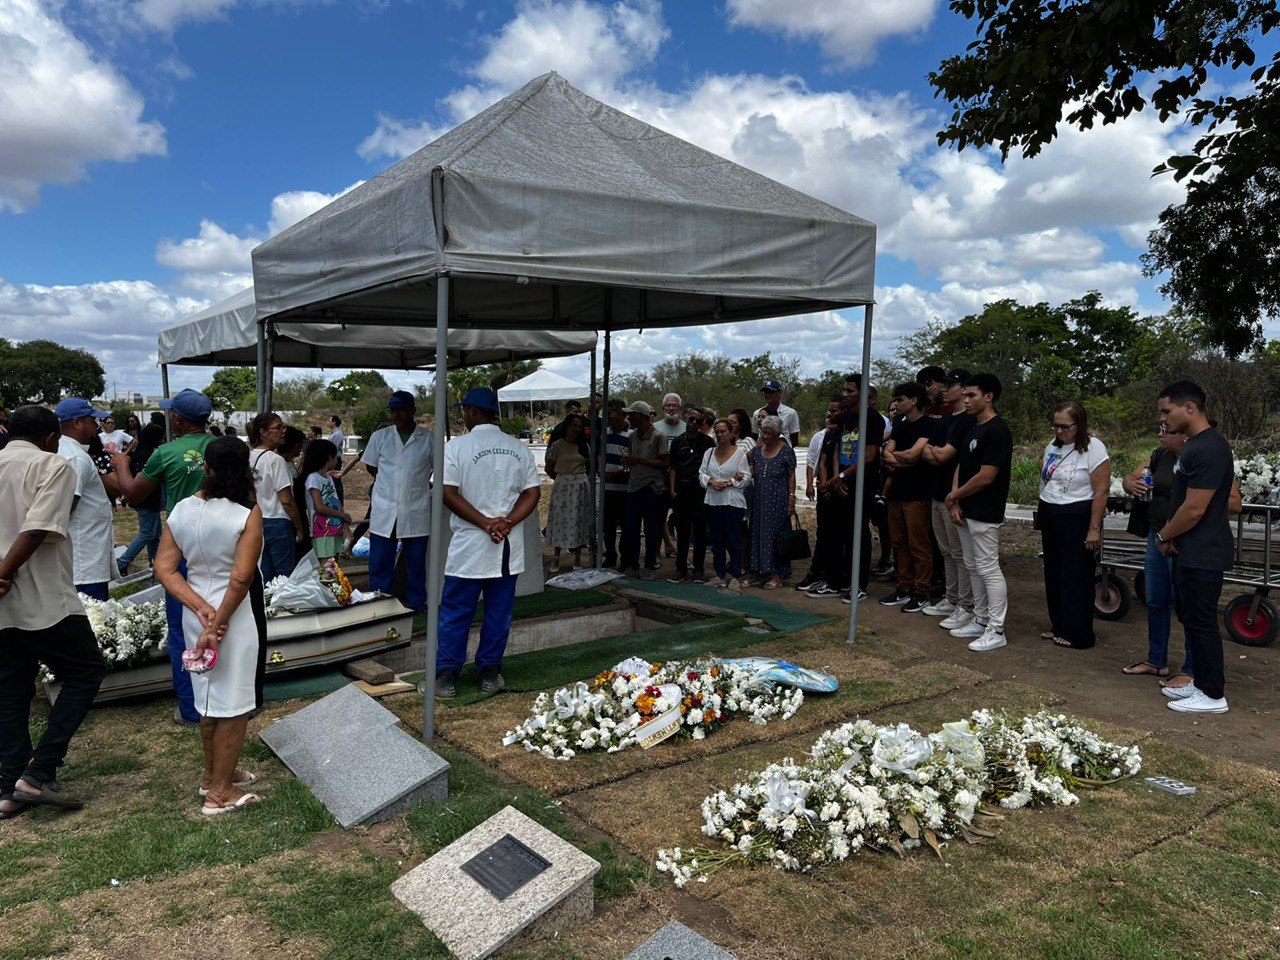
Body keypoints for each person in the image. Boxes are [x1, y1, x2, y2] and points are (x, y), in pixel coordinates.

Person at [0, 405, 107, 819]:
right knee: (85, 672)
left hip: (6, 604)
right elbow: (38, 527)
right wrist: (5, 572)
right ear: (50, 437)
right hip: (44, 597)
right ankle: (39, 772)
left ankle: (9, 787)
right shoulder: (53, 465)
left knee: (11, 691)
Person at [154, 437, 266, 815]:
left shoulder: (182, 509)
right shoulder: (246, 512)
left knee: (207, 698)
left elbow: (164, 568)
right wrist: (218, 622)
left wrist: (200, 610)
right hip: (232, 617)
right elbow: (241, 578)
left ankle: (212, 776)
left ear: (207, 467)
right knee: (233, 704)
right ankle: (220, 794)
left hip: (195, 612)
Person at [112, 387, 215, 726]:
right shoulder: (223, 448)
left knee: (181, 628)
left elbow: (131, 491)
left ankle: (190, 708)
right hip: (222, 547)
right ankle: (220, 701)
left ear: (179, 419)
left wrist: (122, 463)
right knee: (221, 619)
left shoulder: (166, 453)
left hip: (181, 551)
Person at [435, 388, 541, 698]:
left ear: (471, 412)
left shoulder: (456, 447)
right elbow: (532, 493)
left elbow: (448, 493)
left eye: (465, 410)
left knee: (456, 611)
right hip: (507, 544)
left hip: (470, 546)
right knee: (498, 613)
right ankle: (490, 671)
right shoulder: (517, 447)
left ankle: (447, 675)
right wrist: (506, 522)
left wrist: (484, 523)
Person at [1155, 381, 1234, 714]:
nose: (1163, 419)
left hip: (1205, 551)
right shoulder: (1194, 446)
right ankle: (1199, 683)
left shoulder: (1210, 448)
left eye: (1166, 411)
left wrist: (1163, 536)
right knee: (1190, 618)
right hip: (1189, 549)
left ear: (1189, 408)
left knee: (1202, 622)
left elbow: (1194, 508)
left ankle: (1214, 695)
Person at [945, 373, 1014, 652]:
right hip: (966, 509)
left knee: (988, 568)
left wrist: (955, 495)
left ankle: (996, 629)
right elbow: (962, 466)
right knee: (973, 566)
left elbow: (986, 476)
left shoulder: (998, 430)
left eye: (972, 395)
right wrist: (957, 501)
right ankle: (980, 617)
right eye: (965, 395)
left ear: (989, 396)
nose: (966, 400)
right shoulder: (973, 428)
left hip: (986, 510)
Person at [1037, 401, 1110, 650]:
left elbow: (1101, 491)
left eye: (1065, 427)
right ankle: (1059, 624)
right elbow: (1044, 470)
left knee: (1076, 576)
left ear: (1079, 424)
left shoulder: (1094, 448)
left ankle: (1079, 633)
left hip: (1077, 515)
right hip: (1051, 511)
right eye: (1056, 426)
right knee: (1054, 572)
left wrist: (1094, 528)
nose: (1059, 431)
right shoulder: (1052, 446)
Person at [361, 391, 434, 612]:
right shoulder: (380, 437)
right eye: (393, 411)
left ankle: (417, 602)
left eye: (401, 410)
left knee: (415, 562)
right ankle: (379, 602)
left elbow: (436, 470)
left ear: (413, 411)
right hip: (385, 508)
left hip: (415, 508)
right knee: (380, 560)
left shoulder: (429, 439)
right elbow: (372, 466)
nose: (396, 415)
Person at [816, 374, 883, 603]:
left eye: (850, 391)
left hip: (862, 483)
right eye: (844, 390)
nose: (846, 395)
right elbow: (837, 450)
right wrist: (837, 478)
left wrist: (842, 476)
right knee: (839, 532)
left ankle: (859, 585)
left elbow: (870, 455)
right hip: (842, 482)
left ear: (863, 393)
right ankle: (838, 580)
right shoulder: (845, 418)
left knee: (859, 534)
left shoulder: (872, 418)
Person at [920, 369, 975, 628]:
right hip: (936, 492)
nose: (945, 388)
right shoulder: (945, 420)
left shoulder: (967, 421)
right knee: (946, 551)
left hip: (953, 496)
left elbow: (941, 456)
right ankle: (951, 598)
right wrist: (936, 451)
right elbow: (928, 452)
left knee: (960, 553)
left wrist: (936, 452)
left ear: (964, 389)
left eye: (951, 384)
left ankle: (966, 604)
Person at [879, 383, 935, 612]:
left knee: (918, 544)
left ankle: (922, 591)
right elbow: (885, 454)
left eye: (901, 399)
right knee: (899, 542)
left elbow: (915, 454)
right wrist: (904, 459)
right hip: (897, 493)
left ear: (914, 400)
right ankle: (905, 586)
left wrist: (898, 457)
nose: (897, 403)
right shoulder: (900, 426)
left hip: (917, 494)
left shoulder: (929, 425)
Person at [56, 399, 116, 600]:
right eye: (92, 420)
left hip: (83, 556)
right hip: (84, 562)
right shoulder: (75, 458)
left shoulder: (68, 451)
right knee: (93, 618)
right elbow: (66, 506)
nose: (96, 427)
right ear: (77, 423)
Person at [248, 412, 306, 583]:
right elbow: (286, 499)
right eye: (278, 427)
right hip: (278, 523)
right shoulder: (276, 460)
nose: (283, 431)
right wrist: (299, 527)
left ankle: (267, 608)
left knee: (265, 575)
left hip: (257, 521)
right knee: (285, 577)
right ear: (264, 432)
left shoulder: (249, 457)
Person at [700, 418, 752, 591]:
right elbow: (701, 474)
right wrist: (711, 482)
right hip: (713, 500)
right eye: (717, 431)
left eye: (723, 431)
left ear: (731, 433)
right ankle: (719, 573)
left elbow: (745, 477)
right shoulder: (708, 453)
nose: (720, 435)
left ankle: (736, 575)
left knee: (734, 539)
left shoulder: (739, 453)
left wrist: (729, 483)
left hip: (733, 502)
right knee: (717, 539)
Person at [745, 416, 797, 589]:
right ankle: (759, 571)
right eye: (763, 432)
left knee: (777, 535)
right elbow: (750, 470)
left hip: (778, 500)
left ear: (778, 434)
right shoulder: (757, 451)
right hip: (759, 500)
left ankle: (777, 573)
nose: (765, 436)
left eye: (769, 433)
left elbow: (791, 475)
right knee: (757, 533)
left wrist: (791, 499)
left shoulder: (786, 451)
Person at [799, 402, 844, 597]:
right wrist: (819, 484)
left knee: (837, 537)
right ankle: (817, 572)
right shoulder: (821, 436)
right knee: (823, 533)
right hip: (824, 490)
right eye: (828, 413)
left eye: (834, 412)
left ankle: (833, 576)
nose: (829, 415)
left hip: (840, 490)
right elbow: (816, 462)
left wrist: (833, 483)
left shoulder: (845, 434)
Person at [667, 408, 715, 582]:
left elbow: (712, 467)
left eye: (698, 421)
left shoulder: (708, 443)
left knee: (700, 533)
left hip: (700, 492)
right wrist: (672, 490)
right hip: (681, 491)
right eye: (691, 419)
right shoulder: (678, 442)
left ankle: (699, 570)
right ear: (686, 418)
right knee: (683, 532)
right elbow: (673, 467)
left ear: (703, 424)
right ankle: (681, 569)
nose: (693, 423)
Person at [544, 413, 593, 572]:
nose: (576, 429)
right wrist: (562, 479)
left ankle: (577, 557)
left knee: (579, 520)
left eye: (579, 426)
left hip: (580, 487)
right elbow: (549, 467)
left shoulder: (584, 446)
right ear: (566, 426)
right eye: (574, 426)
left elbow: (591, 464)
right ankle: (556, 558)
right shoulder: (557, 445)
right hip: (563, 486)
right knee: (560, 520)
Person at [117, 423, 166, 576]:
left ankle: (154, 562)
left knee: (155, 534)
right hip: (148, 499)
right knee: (146, 534)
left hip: (146, 499)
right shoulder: (150, 455)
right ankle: (122, 562)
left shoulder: (138, 453)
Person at [294, 439, 351, 560]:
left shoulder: (328, 477)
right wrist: (341, 514)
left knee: (333, 566)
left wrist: (344, 522)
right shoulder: (313, 478)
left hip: (334, 529)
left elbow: (335, 499)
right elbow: (319, 506)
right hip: (321, 531)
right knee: (326, 568)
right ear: (329, 457)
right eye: (336, 457)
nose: (336, 460)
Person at [599, 400, 632, 569]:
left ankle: (625, 559)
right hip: (607, 489)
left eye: (610, 412)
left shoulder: (631, 435)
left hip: (625, 489)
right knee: (608, 527)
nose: (607, 416)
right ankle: (610, 555)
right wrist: (600, 470)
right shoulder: (605, 433)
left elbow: (632, 462)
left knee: (626, 527)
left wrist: (620, 473)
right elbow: (600, 455)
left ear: (620, 413)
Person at [753, 380, 801, 447]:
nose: (767, 394)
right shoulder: (757, 413)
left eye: (771, 392)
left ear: (779, 392)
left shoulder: (790, 413)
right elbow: (755, 436)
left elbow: (794, 439)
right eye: (765, 392)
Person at [327, 415, 346, 503]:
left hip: (335, 459)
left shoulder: (337, 434)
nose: (327, 422)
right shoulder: (333, 433)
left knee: (336, 480)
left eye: (329, 420)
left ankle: (339, 502)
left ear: (334, 422)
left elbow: (333, 448)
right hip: (332, 459)